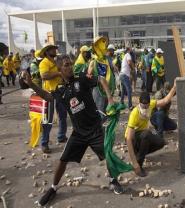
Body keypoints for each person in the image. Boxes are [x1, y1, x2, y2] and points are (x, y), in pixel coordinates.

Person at [20, 55, 126, 207]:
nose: (70, 67)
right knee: (62, 161)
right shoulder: (60, 90)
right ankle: (53, 188)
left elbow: (101, 79)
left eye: (70, 64)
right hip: (78, 133)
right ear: (59, 69)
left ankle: (113, 180)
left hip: (95, 129)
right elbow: (47, 96)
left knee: (108, 155)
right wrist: (30, 83)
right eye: (66, 65)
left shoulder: (82, 79)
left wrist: (110, 99)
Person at [125, 87, 176, 177]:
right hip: (133, 141)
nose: (145, 108)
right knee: (147, 134)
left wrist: (175, 87)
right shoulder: (134, 113)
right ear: (139, 103)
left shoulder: (151, 104)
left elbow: (165, 101)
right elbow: (129, 139)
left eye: (147, 106)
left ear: (149, 103)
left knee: (161, 142)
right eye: (142, 106)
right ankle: (139, 164)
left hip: (143, 136)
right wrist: (134, 163)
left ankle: (140, 153)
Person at [39, 44, 68, 153]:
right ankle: (44, 143)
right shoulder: (44, 62)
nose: (55, 50)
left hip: (58, 91)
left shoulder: (55, 62)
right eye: (52, 49)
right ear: (47, 52)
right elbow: (44, 76)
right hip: (48, 94)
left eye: (55, 49)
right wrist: (58, 73)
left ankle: (61, 136)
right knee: (48, 119)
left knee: (63, 115)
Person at [87, 36, 116, 121]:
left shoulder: (106, 60)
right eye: (101, 44)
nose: (104, 46)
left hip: (108, 91)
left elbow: (111, 71)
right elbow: (89, 76)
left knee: (106, 113)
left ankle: (102, 132)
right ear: (97, 47)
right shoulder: (94, 61)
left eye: (104, 43)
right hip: (98, 91)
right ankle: (99, 133)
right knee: (100, 114)